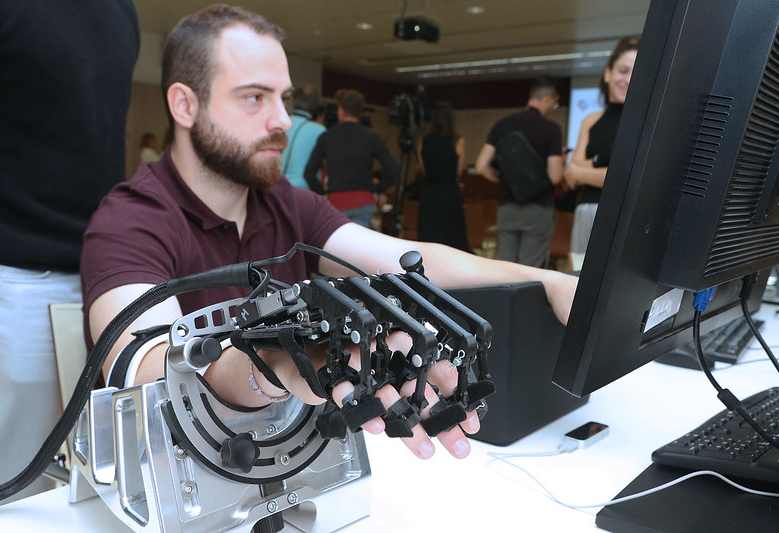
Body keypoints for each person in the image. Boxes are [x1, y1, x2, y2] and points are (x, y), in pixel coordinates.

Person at [81, 4, 577, 463]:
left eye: (284, 98)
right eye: (255, 97)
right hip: (182, 471)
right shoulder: (132, 217)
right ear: (185, 106)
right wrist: (273, 364)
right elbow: (140, 367)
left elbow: (409, 260)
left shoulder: (288, 205)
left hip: (294, 462)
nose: (281, 120)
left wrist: (546, 279)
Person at [0, 0, 139, 500]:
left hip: (99, 277)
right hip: (9, 275)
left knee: (85, 488)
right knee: (3, 487)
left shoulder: (120, 10)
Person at [565, 37, 639, 270]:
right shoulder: (590, 120)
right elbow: (569, 176)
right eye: (623, 70)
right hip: (585, 212)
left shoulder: (639, 122)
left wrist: (583, 169)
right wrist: (601, 169)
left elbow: (624, 178)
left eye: (635, 73)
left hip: (622, 213)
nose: (627, 80)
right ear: (608, 73)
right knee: (577, 279)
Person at [474, 76, 565, 268]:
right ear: (548, 98)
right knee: (529, 270)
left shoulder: (502, 125)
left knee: (506, 267)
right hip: (538, 209)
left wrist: (503, 179)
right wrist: (562, 159)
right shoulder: (551, 129)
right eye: (554, 104)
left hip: (507, 207)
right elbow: (555, 176)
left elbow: (481, 165)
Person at [303, 89, 400, 228]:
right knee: (358, 247)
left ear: (340, 110)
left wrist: (323, 195)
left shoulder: (327, 137)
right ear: (359, 112)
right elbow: (393, 171)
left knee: (334, 247)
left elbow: (309, 174)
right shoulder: (372, 138)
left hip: (336, 201)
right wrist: (375, 189)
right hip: (363, 200)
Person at [415, 101, 471, 251]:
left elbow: (424, 170)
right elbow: (459, 172)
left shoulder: (423, 141)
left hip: (429, 193)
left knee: (429, 238)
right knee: (453, 238)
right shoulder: (458, 141)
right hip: (450, 193)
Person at [280, 83, 326, 189]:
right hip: (303, 189)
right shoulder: (319, 130)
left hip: (276, 185)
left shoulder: (282, 123)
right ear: (315, 105)